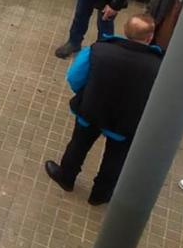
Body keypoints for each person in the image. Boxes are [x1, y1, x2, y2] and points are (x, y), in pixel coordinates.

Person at [45, 14, 163, 205]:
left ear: (124, 31)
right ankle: (100, 195)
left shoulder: (98, 49)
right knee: (115, 157)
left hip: (90, 111)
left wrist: (88, 95)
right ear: (149, 38)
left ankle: (66, 177)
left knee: (78, 145)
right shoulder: (159, 65)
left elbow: (74, 77)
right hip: (126, 123)